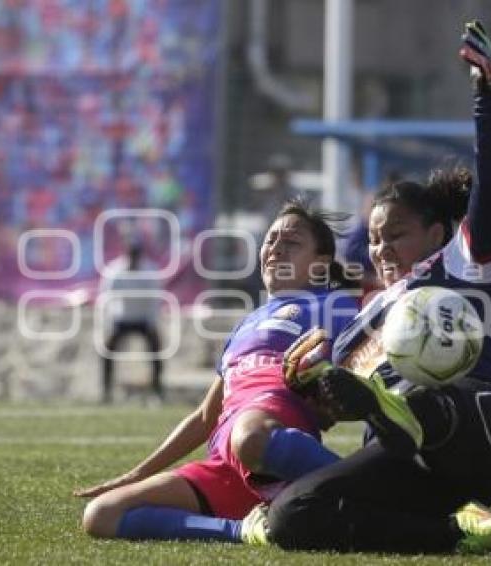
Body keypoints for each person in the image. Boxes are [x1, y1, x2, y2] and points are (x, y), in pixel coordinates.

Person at [241, 21, 491, 554]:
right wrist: (318, 387)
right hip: (412, 468)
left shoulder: (464, 264)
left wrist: (488, 99)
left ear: (436, 233)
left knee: (415, 401)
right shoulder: (357, 325)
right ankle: (458, 530)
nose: (381, 249)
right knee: (290, 518)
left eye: (395, 234)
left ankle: (399, 412)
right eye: (375, 240)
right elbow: (337, 410)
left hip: (478, 433)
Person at [74, 200, 360, 542]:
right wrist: (136, 474)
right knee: (103, 515)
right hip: (227, 459)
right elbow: (205, 416)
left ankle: (369, 494)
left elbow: (366, 360)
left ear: (320, 264)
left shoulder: (334, 304)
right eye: (271, 240)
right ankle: (248, 530)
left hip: (270, 432)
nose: (276, 249)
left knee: (251, 437)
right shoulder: (245, 325)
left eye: (292, 242)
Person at [98, 240, 164, 403]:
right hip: (122, 319)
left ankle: (157, 389)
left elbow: (154, 300)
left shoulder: (150, 271)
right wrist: (109, 322)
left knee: (156, 348)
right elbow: (106, 298)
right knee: (106, 350)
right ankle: (106, 391)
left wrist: (151, 323)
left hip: (143, 320)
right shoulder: (115, 271)